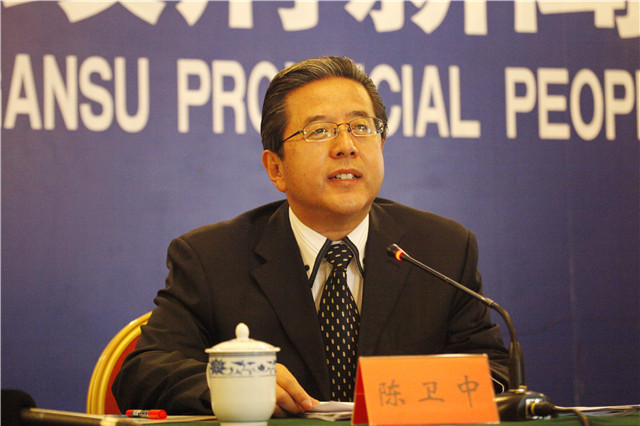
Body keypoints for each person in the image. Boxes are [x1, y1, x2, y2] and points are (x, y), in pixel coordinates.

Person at [112, 56, 509, 416]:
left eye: (361, 127)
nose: (346, 146)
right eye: (319, 131)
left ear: (381, 144)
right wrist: (233, 384)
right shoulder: (211, 258)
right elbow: (143, 372)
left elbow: (495, 372)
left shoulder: (442, 249)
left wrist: (417, 394)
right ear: (276, 168)